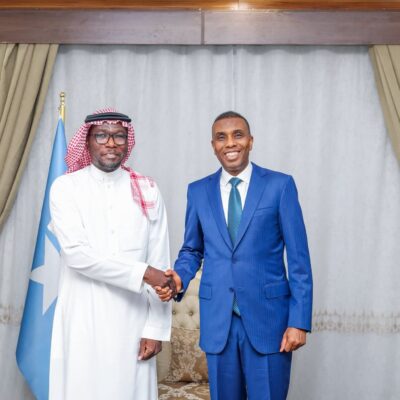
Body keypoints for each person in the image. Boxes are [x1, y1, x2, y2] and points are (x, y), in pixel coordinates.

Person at [157, 111, 313, 400]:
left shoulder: (280, 186)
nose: (230, 143)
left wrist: (298, 321)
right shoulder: (198, 191)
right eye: (221, 137)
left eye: (237, 135)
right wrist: (178, 279)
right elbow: (192, 249)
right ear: (213, 145)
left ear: (250, 141)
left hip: (270, 321)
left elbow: (299, 261)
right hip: (219, 321)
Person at [49, 108, 176, 400]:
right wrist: (144, 273)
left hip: (132, 323)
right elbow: (76, 255)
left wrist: (156, 329)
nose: (111, 143)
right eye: (102, 136)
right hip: (83, 319)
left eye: (119, 136)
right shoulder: (66, 188)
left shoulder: (147, 189)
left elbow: (160, 261)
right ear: (87, 141)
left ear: (127, 142)